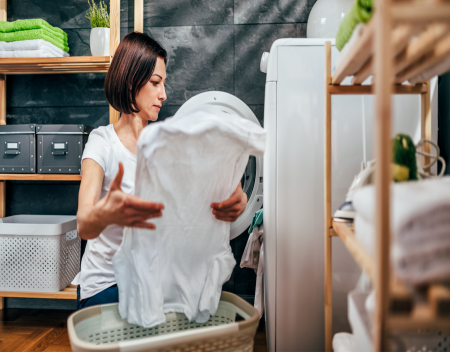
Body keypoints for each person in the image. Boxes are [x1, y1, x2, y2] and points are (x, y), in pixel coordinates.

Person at [73, 32, 248, 309]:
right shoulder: (102, 142)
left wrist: (238, 198)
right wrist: (105, 214)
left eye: (163, 83)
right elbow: (84, 222)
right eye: (156, 83)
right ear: (132, 83)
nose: (164, 94)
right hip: (106, 286)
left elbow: (217, 176)